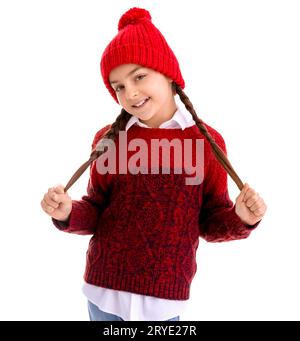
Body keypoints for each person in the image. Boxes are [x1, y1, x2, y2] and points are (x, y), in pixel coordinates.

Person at [40, 7, 267, 321]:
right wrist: (67, 212)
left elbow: (211, 221)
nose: (130, 92)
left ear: (168, 73)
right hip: (102, 296)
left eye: (139, 76)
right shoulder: (109, 140)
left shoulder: (205, 144)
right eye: (118, 86)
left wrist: (241, 217)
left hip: (162, 307)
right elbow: (95, 208)